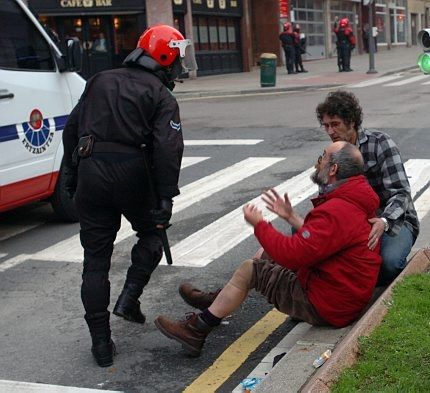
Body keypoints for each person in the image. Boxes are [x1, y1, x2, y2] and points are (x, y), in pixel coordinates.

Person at [154, 142, 382, 357]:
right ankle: (217, 301)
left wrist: (260, 225)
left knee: (250, 270)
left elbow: (293, 255)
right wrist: (291, 216)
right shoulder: (354, 199)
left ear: (333, 169)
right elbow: (325, 242)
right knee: (266, 254)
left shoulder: (337, 209)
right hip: (341, 294)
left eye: (322, 157)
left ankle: (196, 330)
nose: (318, 162)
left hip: (327, 304)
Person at [62, 25, 196, 367]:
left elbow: (72, 130)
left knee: (95, 261)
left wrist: (71, 175)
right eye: (176, 58)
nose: (178, 65)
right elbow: (168, 149)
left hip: (92, 173)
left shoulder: (99, 80)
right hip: (134, 176)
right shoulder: (161, 95)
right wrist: (166, 199)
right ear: (165, 56)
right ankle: (129, 298)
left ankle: (101, 344)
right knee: (152, 235)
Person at [316, 91, 419, 286]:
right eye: (326, 125)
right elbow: (324, 197)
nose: (330, 131)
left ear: (352, 122)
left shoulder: (380, 143)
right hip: (355, 223)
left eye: (335, 124)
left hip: (393, 220)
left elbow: (401, 192)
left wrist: (384, 221)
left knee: (389, 263)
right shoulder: (332, 153)